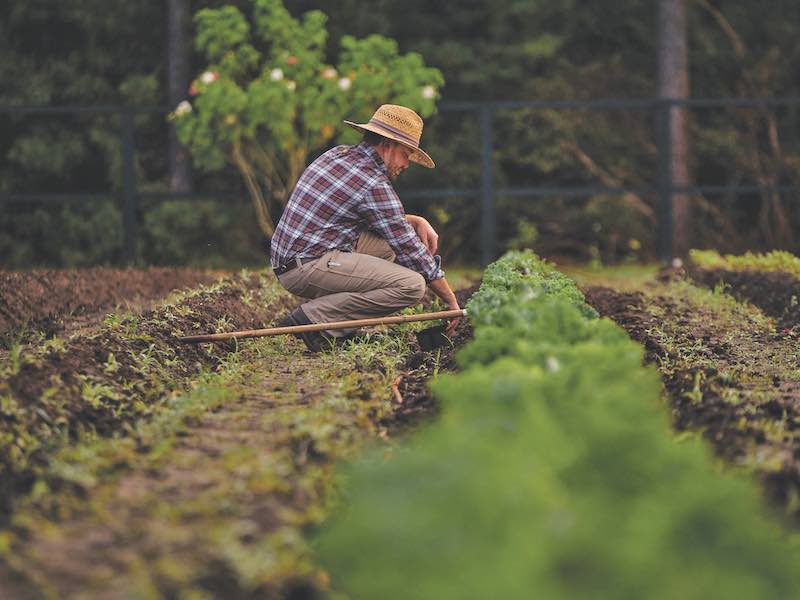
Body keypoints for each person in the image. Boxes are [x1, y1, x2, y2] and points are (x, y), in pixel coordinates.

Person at [270, 103, 461, 351]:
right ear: (388, 146)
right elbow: (412, 251)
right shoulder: (372, 182)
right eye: (407, 154)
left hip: (295, 257)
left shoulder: (338, 154)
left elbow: (382, 223)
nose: (407, 164)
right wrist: (451, 301)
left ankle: (336, 322)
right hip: (305, 266)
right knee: (412, 285)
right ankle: (316, 319)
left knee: (387, 249)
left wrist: (415, 220)